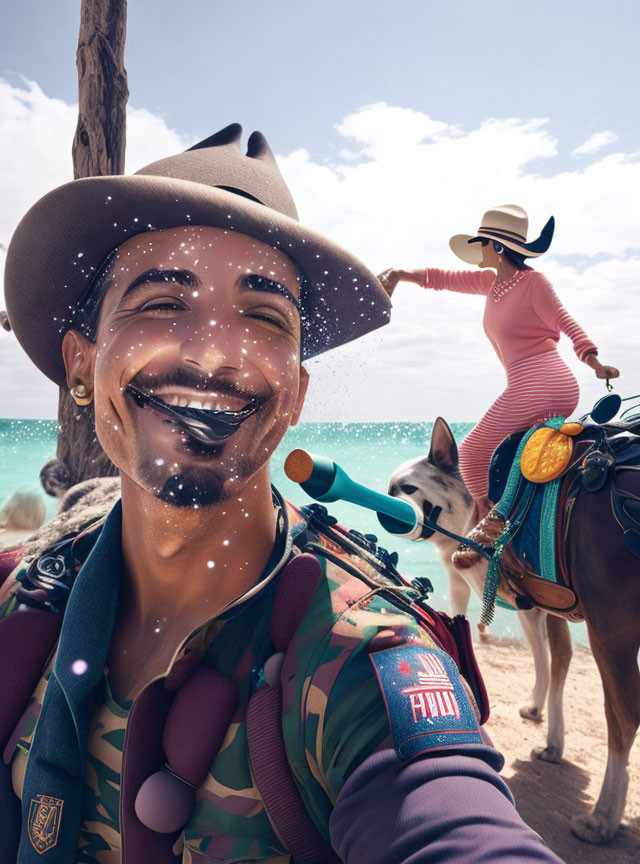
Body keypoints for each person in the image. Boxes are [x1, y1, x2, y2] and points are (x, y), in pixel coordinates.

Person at [0, 131, 565, 863]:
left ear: (296, 391)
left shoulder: (361, 655)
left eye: (264, 317)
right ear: (82, 364)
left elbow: (452, 822)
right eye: (163, 299)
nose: (211, 351)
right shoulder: (24, 592)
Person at [380, 205, 619, 567]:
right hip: (528, 382)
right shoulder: (492, 285)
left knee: (473, 452)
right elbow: (441, 278)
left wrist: (592, 358)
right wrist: (399, 274)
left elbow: (565, 320)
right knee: (504, 457)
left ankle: (490, 529)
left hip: (545, 379)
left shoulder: (533, 283)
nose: (477, 251)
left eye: (481, 244)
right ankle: (525, 520)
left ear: (498, 247)